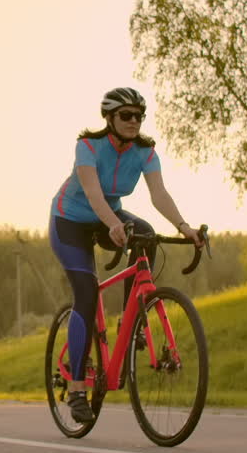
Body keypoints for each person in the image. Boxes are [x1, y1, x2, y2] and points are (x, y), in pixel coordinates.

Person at [48, 87, 203, 424]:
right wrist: (114, 224)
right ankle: (76, 388)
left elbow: (159, 194)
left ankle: (133, 321)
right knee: (86, 296)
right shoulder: (88, 146)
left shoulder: (145, 153)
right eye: (126, 115)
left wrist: (184, 226)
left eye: (139, 116)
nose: (134, 121)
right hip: (70, 221)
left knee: (146, 233)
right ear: (110, 118)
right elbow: (92, 194)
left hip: (109, 216)